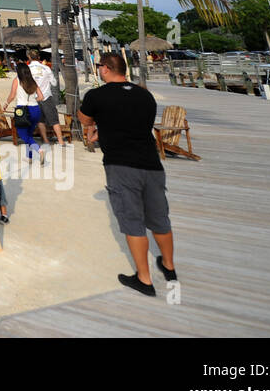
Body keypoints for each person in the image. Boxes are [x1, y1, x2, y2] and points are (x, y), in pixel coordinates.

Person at [77, 53, 176, 298]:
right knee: (159, 218)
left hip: (121, 166)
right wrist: (105, 130)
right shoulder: (145, 95)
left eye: (100, 66)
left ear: (107, 69)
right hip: (152, 165)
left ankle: (144, 279)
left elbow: (84, 117)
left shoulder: (96, 95)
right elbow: (134, 125)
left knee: (133, 222)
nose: (99, 69)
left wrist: (94, 129)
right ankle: (169, 267)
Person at [4, 63, 45, 163]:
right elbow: (41, 97)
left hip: (22, 110)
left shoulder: (17, 80)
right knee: (29, 134)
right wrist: (32, 100)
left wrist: (6, 103)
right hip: (35, 109)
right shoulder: (32, 81)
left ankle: (39, 149)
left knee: (22, 134)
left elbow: (12, 95)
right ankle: (29, 157)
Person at [29, 51, 65, 145]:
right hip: (46, 96)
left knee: (40, 120)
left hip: (34, 97)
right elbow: (54, 83)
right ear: (39, 57)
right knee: (54, 120)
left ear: (29, 57)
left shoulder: (27, 69)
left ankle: (45, 140)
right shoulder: (46, 68)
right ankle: (61, 141)